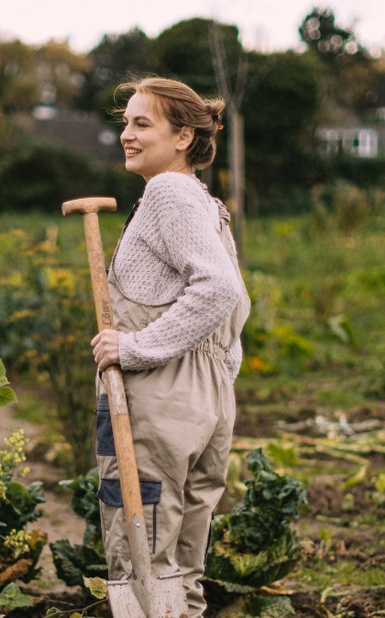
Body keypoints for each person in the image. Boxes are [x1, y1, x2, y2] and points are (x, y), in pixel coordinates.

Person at [90, 76, 250, 616]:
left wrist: (135, 349)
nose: (126, 136)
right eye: (126, 123)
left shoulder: (167, 193)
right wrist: (215, 379)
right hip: (202, 398)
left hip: (158, 397)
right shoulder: (205, 203)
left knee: (143, 552)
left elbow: (219, 289)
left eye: (142, 124)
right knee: (182, 564)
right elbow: (236, 307)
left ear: (183, 136)